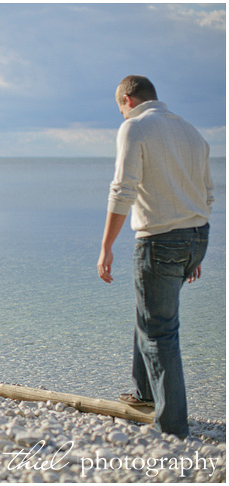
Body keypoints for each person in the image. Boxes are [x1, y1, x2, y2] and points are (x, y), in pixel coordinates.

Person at [97, 75, 213, 437]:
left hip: (160, 239)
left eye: (119, 109)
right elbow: (207, 193)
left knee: (160, 330)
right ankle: (144, 394)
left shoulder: (135, 127)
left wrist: (106, 247)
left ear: (128, 100)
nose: (121, 115)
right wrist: (196, 250)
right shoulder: (192, 132)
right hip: (196, 234)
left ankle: (172, 425)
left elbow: (122, 190)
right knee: (149, 313)